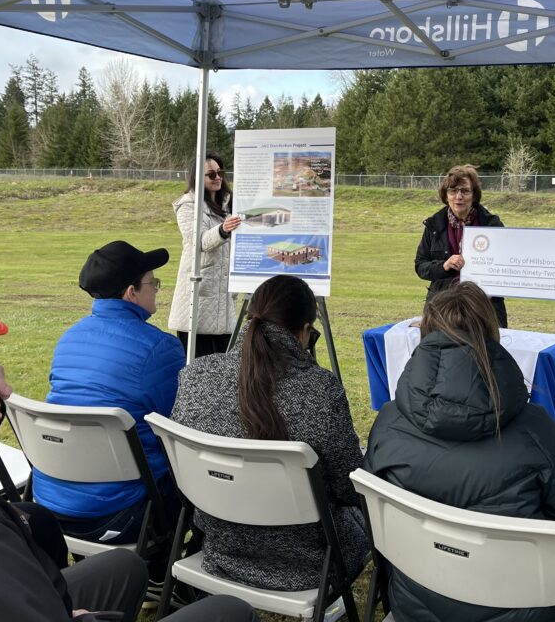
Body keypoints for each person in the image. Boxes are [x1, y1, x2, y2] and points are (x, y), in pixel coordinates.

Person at [0, 249, 258, 622]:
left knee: (122, 569)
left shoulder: (70, 337)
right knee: (229, 611)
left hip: (56, 503)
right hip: (117, 511)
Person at [364, 282, 555, 622]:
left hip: (414, 600)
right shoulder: (536, 430)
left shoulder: (388, 422)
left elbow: (372, 511)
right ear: (491, 332)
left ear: (425, 333)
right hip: (524, 604)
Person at [172, 274, 369, 593]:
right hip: (311, 561)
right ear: (305, 330)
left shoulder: (196, 375)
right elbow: (350, 490)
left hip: (221, 545)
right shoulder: (320, 392)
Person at [33, 240, 185, 550]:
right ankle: (161, 573)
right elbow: (178, 427)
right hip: (120, 513)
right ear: (131, 292)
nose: (156, 289)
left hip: (51, 499)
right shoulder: (159, 348)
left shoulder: (70, 337)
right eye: (152, 283)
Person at [415, 164, 508, 327]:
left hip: (484, 306)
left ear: (474, 195)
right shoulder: (433, 225)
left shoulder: (492, 224)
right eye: (453, 191)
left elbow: (506, 263)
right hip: (442, 307)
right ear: (446, 195)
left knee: (487, 351)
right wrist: (444, 265)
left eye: (465, 191)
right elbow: (421, 266)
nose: (459, 196)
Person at [169, 152, 242, 358]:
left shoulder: (231, 203)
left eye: (220, 172)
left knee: (225, 368)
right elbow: (199, 241)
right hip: (198, 299)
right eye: (211, 174)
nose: (218, 177)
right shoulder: (187, 206)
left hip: (225, 299)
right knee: (197, 370)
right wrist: (223, 230)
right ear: (197, 177)